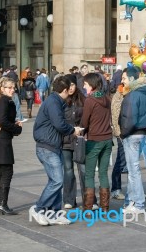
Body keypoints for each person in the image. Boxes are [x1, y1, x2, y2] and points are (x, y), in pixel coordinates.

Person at [30, 75, 82, 226]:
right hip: (47, 146)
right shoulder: (53, 102)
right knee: (58, 180)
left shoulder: (55, 101)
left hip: (53, 145)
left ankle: (54, 213)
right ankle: (39, 208)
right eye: (69, 88)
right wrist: (73, 130)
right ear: (65, 90)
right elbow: (59, 124)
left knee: (56, 181)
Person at [119, 67, 146, 214]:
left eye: (124, 78)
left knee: (133, 171)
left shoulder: (133, 95)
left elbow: (129, 118)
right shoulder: (145, 93)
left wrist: (123, 133)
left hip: (132, 134)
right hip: (140, 133)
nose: (122, 81)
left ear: (132, 79)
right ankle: (131, 201)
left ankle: (137, 203)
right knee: (133, 169)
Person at [0, 77, 23, 215]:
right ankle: (2, 204)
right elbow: (2, 121)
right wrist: (16, 128)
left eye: (13, 87)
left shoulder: (0, 100)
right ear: (2, 89)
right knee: (7, 172)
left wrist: (13, 122)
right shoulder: (4, 101)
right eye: (9, 87)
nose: (12, 90)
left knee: (1, 172)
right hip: (2, 141)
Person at [80, 72, 113, 213]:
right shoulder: (106, 99)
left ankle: (88, 208)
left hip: (94, 140)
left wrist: (80, 131)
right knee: (104, 174)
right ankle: (105, 207)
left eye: (86, 84)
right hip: (107, 140)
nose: (84, 86)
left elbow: (84, 122)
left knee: (89, 174)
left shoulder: (90, 101)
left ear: (92, 85)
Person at [62, 74, 86, 209]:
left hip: (80, 139)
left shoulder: (82, 99)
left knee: (83, 169)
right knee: (68, 170)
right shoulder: (61, 100)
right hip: (65, 140)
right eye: (68, 85)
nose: (71, 88)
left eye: (72, 85)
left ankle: (88, 199)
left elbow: (87, 118)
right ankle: (69, 200)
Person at [110, 82, 128, 200]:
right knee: (121, 161)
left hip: (131, 132)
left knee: (128, 162)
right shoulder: (119, 95)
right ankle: (115, 189)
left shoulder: (130, 93)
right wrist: (119, 133)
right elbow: (115, 116)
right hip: (122, 133)